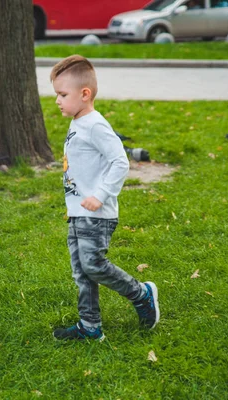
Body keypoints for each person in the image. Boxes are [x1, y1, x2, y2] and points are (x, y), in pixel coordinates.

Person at [50, 55, 160, 341]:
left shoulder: (95, 125)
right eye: (56, 95)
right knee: (82, 273)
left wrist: (99, 195)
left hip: (97, 213)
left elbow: (120, 162)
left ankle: (141, 293)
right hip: (77, 212)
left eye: (62, 94)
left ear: (85, 94)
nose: (57, 101)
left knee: (93, 265)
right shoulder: (78, 122)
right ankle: (90, 326)